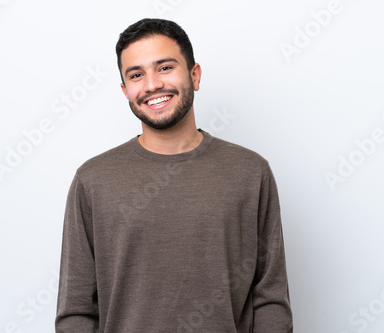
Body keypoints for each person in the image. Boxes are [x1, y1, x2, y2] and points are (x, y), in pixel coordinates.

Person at [55, 18, 293, 333]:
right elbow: (76, 311)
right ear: (125, 90)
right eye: (136, 75)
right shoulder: (92, 180)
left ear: (194, 75)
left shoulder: (250, 172)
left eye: (165, 67)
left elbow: (270, 299)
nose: (152, 85)